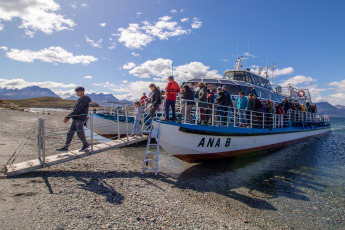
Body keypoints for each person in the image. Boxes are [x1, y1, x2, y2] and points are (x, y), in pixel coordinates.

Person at [57, 86, 91, 152]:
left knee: (79, 132)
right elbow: (75, 110)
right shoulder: (80, 99)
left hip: (80, 118)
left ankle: (86, 144)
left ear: (82, 91)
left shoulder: (84, 100)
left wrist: (68, 117)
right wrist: (70, 116)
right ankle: (66, 147)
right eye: (76, 92)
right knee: (70, 132)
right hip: (76, 118)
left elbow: (77, 109)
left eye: (77, 92)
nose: (76, 93)